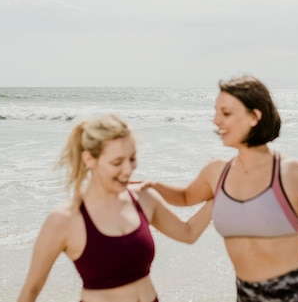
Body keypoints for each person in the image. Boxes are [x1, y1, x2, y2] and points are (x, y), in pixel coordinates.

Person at [143, 75, 298, 302]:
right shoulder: (216, 172)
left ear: (254, 116)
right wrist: (150, 185)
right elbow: (185, 197)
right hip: (247, 295)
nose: (216, 121)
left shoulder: (294, 174)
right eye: (216, 112)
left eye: (226, 113)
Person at [17, 114, 213, 302]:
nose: (128, 169)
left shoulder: (144, 198)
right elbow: (31, 289)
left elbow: (188, 233)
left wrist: (222, 194)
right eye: (117, 162)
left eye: (132, 158)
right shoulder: (65, 218)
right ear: (89, 160)